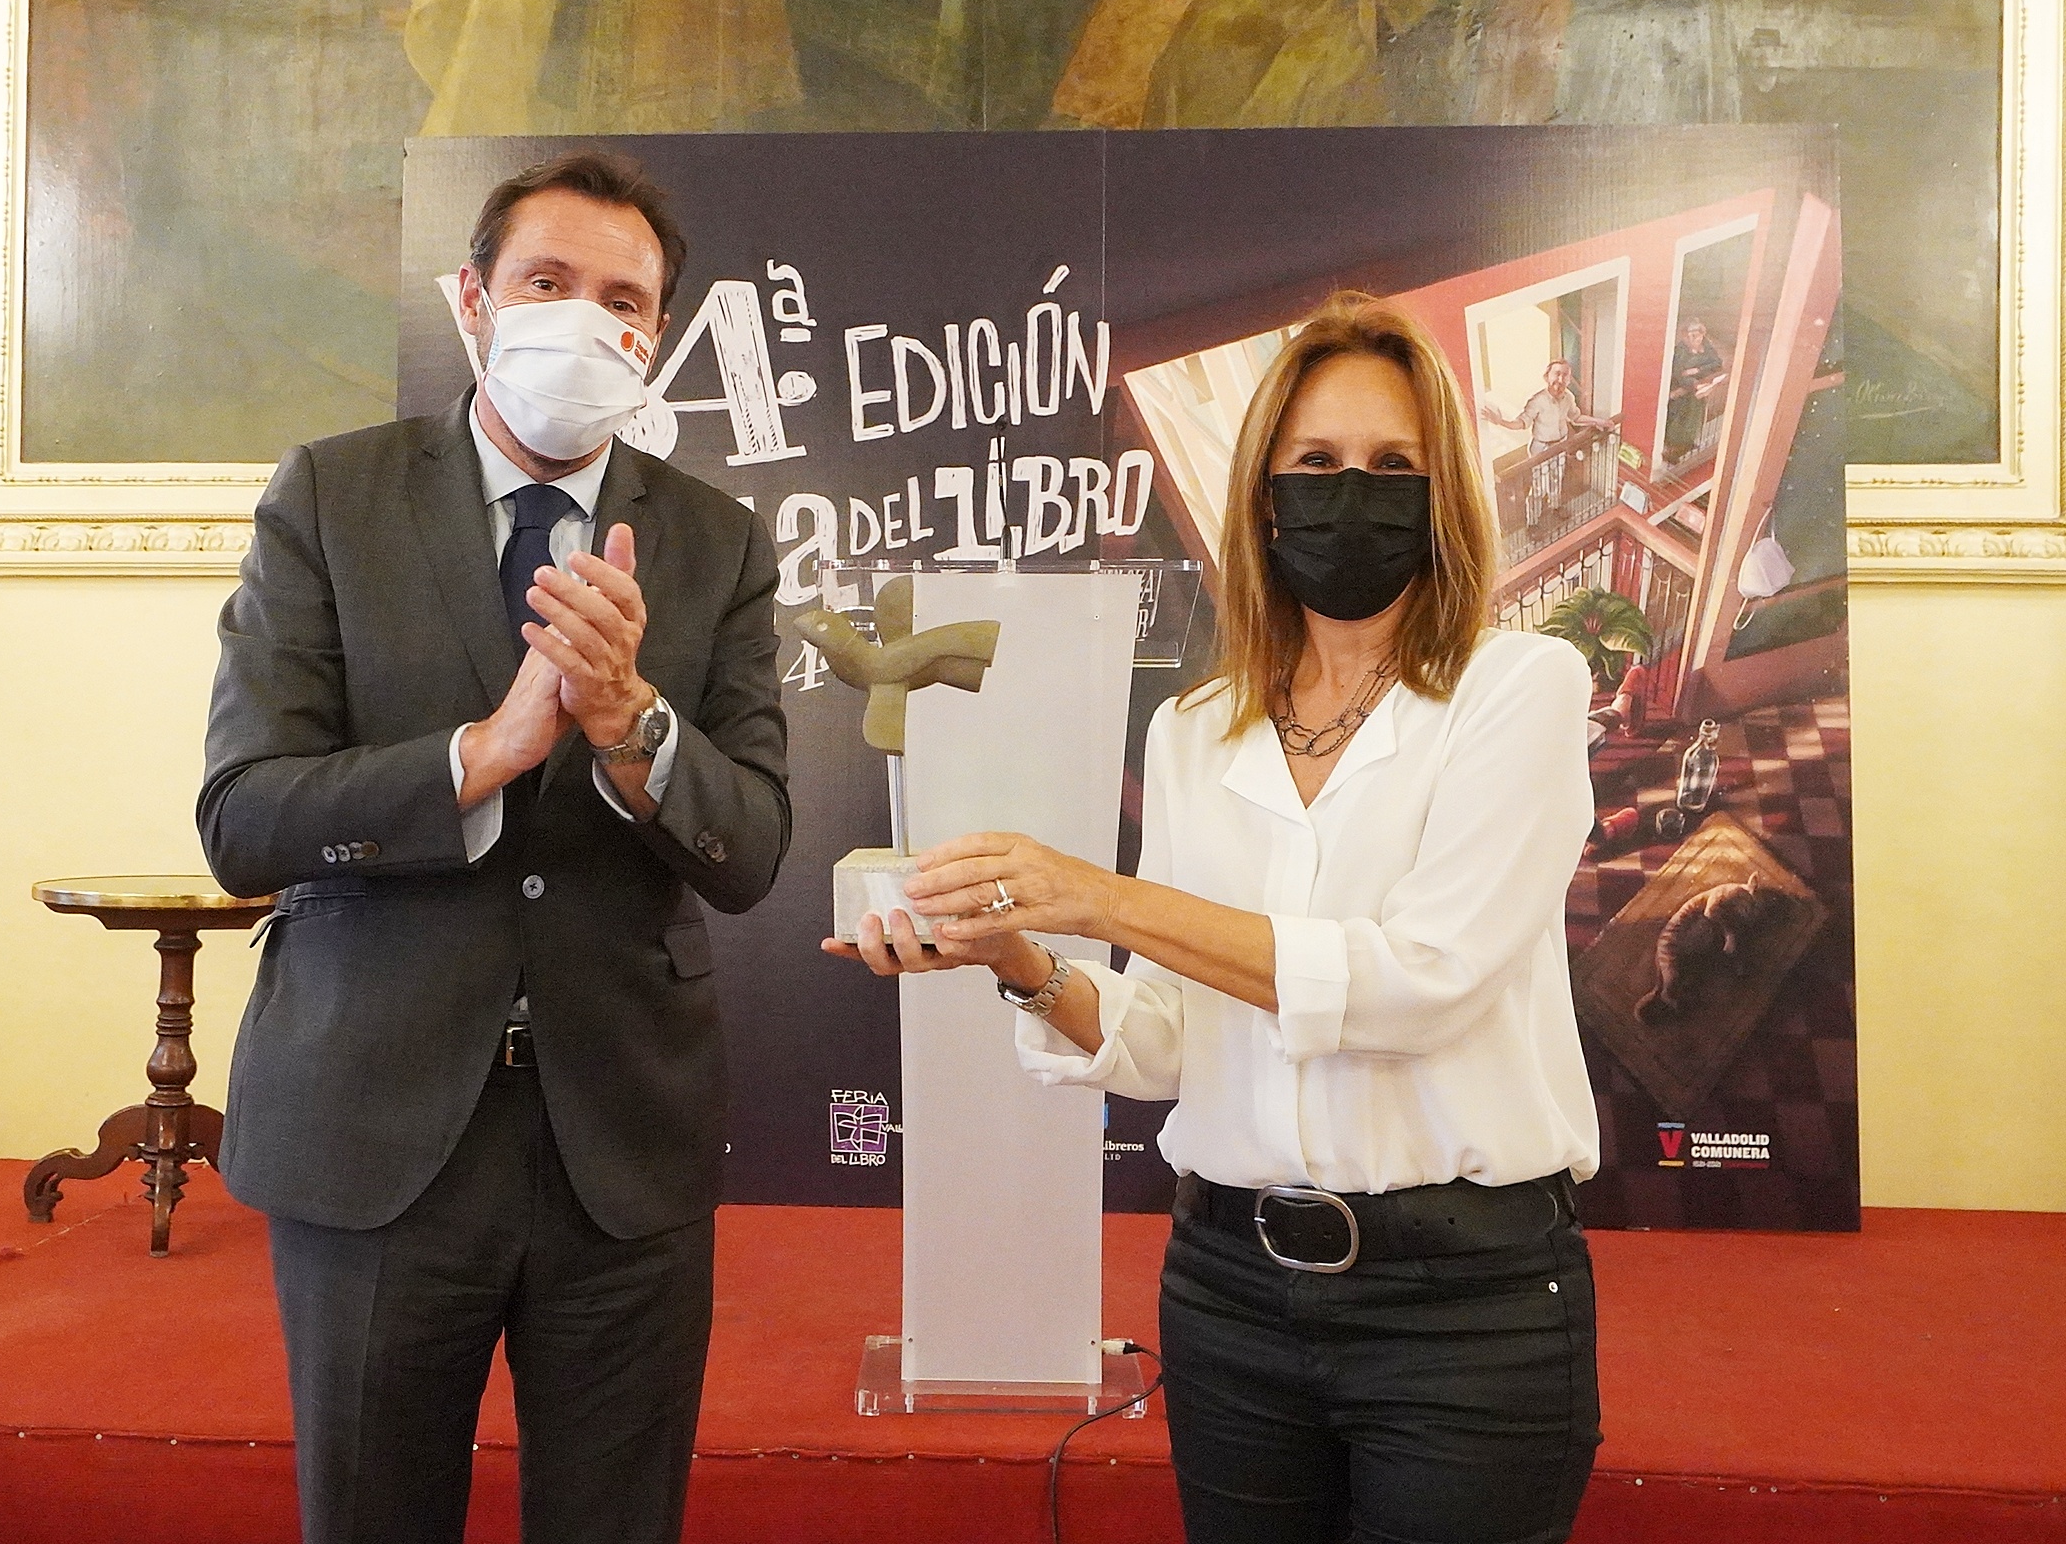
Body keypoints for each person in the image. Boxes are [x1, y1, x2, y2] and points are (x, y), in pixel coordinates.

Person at [830, 291, 1602, 1542]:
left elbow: (1421, 982)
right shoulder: (1197, 729)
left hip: (1463, 1313)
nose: (1350, 495)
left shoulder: (1517, 687)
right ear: (1262, 496)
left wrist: (1100, 893)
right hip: (1229, 1295)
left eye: (1390, 467)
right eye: (1316, 463)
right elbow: (1170, 1042)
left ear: (1444, 496)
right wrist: (1018, 957)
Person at [199, 151, 790, 1544]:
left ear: (655, 337)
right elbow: (245, 816)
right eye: (546, 283)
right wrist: (487, 749)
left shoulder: (713, 539)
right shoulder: (330, 497)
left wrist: (633, 724)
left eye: (622, 301)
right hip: (376, 1128)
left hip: (620, 1143)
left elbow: (752, 846)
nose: (584, 318)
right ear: (473, 301)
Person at [1484, 357, 1611, 528]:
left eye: (1565, 375)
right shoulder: (1538, 401)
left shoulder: (1568, 398)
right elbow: (1522, 422)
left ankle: (1555, 506)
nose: (1560, 379)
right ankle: (1532, 523)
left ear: (1568, 379)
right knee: (1539, 488)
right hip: (1541, 448)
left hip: (1560, 446)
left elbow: (1576, 417)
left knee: (1556, 480)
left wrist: (1598, 421)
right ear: (1547, 376)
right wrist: (1501, 422)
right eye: (1557, 374)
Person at [1662, 315, 1727, 464]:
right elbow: (1678, 373)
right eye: (1691, 336)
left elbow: (1717, 364)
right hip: (1681, 392)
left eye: (1697, 335)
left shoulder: (1707, 347)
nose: (1695, 339)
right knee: (1678, 420)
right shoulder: (1680, 351)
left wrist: (1697, 370)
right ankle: (1673, 448)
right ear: (1685, 336)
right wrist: (1695, 384)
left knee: (1694, 419)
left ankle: (1686, 444)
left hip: (1697, 393)